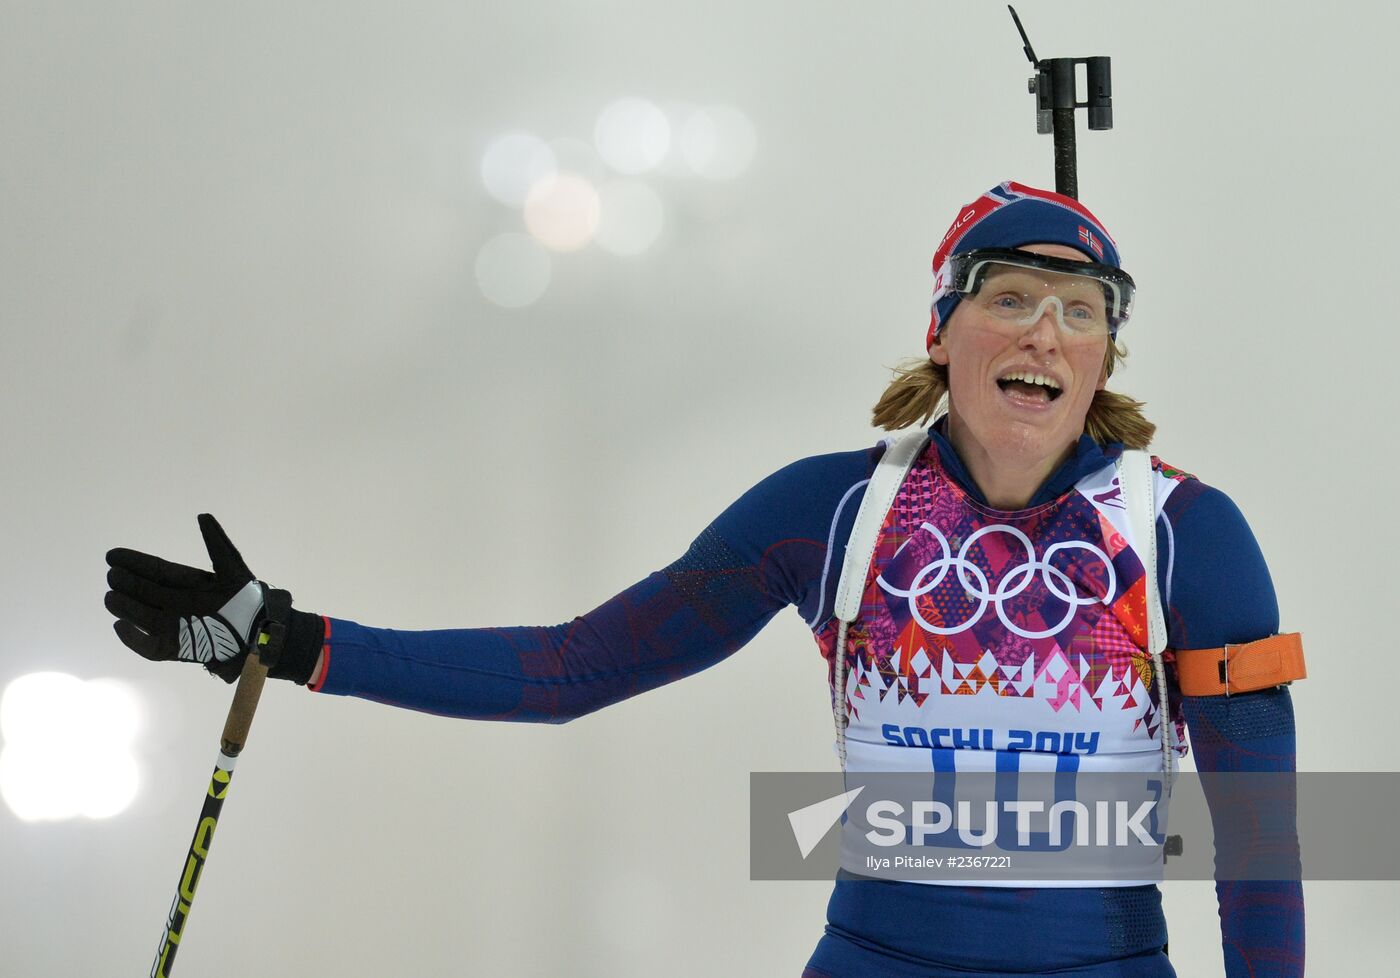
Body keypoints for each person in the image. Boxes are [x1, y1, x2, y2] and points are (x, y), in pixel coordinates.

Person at [105, 180, 1304, 977]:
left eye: (1078, 311)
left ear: (1103, 355)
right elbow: (571, 667)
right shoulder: (830, 510)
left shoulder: (1182, 532)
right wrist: (295, 638)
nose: (1042, 332)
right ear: (941, 329)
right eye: (1007, 299)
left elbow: (1256, 840)